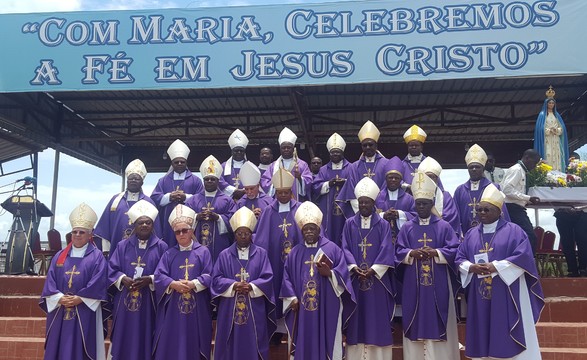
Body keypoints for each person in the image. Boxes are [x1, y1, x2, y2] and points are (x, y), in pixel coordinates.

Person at [456, 183, 544, 359]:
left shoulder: (515, 231)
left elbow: (523, 258)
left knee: (504, 327)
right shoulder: (472, 234)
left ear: (499, 210)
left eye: (487, 210)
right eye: (479, 210)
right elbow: (459, 258)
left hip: (507, 291)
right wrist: (470, 267)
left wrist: (496, 266)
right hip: (480, 293)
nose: (481, 213)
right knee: (483, 328)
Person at [395, 171, 460, 360]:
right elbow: (398, 251)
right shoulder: (407, 227)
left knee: (439, 314)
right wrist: (410, 254)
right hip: (412, 284)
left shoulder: (444, 226)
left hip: (438, 281)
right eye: (418, 204)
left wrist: (436, 253)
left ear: (432, 204)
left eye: (425, 204)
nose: (421, 207)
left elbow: (454, 249)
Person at [280, 201, 356, 360]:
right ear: (301, 231)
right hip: (302, 309)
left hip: (326, 306)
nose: (309, 232)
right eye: (305, 229)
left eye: (312, 228)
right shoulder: (295, 253)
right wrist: (292, 298)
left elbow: (344, 276)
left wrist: (330, 273)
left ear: (319, 229)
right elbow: (286, 278)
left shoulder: (332, 249)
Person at [40, 203, 108, 360]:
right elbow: (50, 280)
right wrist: (59, 298)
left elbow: (99, 281)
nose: (77, 234)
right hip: (60, 308)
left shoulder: (97, 256)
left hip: (84, 309)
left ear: (90, 234)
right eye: (74, 232)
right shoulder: (59, 256)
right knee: (58, 346)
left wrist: (80, 298)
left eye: (81, 232)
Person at [212, 207, 276, 360]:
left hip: (254, 306)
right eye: (239, 234)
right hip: (229, 308)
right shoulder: (224, 255)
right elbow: (216, 279)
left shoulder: (261, 253)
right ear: (234, 235)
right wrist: (233, 285)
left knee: (255, 338)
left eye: (246, 233)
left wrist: (251, 286)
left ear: (251, 234)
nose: (243, 237)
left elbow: (267, 277)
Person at [342, 177, 396, 359]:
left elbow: (387, 247)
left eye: (367, 202)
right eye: (361, 202)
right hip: (356, 278)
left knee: (376, 316)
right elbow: (345, 247)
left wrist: (374, 269)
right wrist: (353, 267)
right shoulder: (349, 223)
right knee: (357, 316)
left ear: (374, 203)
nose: (363, 205)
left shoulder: (382, 225)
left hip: (377, 280)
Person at [107, 200, 168, 360]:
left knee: (147, 334)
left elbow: (167, 274)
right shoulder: (122, 246)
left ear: (153, 225)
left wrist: (151, 279)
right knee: (124, 334)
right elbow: (111, 269)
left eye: (148, 222)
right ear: (134, 224)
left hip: (150, 301)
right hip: (125, 300)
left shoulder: (162, 247)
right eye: (141, 223)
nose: (145, 225)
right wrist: (122, 278)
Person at [153, 204, 213, 360]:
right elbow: (159, 276)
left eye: (185, 230)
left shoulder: (203, 252)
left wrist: (193, 284)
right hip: (173, 308)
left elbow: (209, 275)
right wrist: (173, 284)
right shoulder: (169, 254)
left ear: (192, 231)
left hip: (197, 308)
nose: (181, 234)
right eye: (177, 232)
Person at [255, 168, 303, 337]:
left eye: (286, 192)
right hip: (274, 261)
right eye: (280, 192)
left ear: (291, 192)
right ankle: (276, 330)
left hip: (296, 261)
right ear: (275, 192)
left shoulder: (300, 209)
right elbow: (260, 239)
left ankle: (295, 328)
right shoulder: (268, 211)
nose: (283, 196)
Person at [94, 159, 161, 255]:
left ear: (142, 182)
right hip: (116, 249)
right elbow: (104, 227)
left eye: (137, 179)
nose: (133, 181)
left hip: (142, 251)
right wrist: (106, 250)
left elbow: (156, 232)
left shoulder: (149, 202)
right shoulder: (115, 201)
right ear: (127, 180)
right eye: (130, 178)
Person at [151, 139, 204, 246]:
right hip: (168, 223)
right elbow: (154, 198)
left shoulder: (195, 180)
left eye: (182, 162)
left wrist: (186, 198)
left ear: (186, 163)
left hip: (189, 223)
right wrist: (170, 197)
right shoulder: (163, 180)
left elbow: (202, 200)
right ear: (172, 163)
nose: (179, 164)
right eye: (176, 162)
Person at [185, 155, 236, 264]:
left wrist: (218, 217)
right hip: (197, 242)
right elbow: (184, 220)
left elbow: (233, 221)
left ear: (218, 181)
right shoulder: (193, 200)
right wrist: (196, 217)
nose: (209, 181)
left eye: (212, 179)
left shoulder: (227, 200)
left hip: (219, 245)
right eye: (207, 179)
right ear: (203, 181)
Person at [454, 144, 510, 236]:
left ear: (483, 168)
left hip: (491, 234)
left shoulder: (494, 188)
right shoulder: (460, 190)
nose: (474, 169)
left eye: (477, 167)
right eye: (471, 167)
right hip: (466, 234)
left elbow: (502, 213)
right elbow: (455, 216)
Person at [336, 121, 389, 214]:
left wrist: (379, 211)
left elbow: (387, 189)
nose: (368, 147)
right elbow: (351, 191)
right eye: (365, 145)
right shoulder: (354, 167)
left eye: (371, 144)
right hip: (360, 211)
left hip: (381, 211)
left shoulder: (386, 164)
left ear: (376, 145)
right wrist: (361, 211)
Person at [311, 132, 350, 246]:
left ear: (342, 153)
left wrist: (345, 183)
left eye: (338, 152)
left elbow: (355, 185)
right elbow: (315, 187)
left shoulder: (351, 168)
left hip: (345, 210)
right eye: (333, 152)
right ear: (329, 154)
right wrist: (329, 184)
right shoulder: (323, 170)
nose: (335, 154)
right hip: (328, 211)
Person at [502, 149, 541, 254]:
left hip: (517, 208)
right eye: (534, 162)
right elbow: (507, 190)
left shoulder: (522, 171)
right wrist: (528, 198)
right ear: (527, 158)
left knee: (520, 237)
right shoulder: (517, 170)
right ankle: (527, 263)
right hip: (512, 208)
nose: (535, 166)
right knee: (529, 236)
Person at [260, 127, 313, 202]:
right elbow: (265, 181)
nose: (286, 150)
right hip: (278, 201)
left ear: (293, 148)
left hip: (296, 200)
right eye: (283, 148)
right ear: (280, 149)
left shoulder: (302, 165)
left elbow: (309, 181)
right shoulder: (273, 166)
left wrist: (300, 178)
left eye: (289, 148)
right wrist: (275, 183)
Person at [418, 156, 462, 236]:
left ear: (437, 179)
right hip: (419, 233)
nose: (430, 180)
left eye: (432, 177)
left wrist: (435, 220)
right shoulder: (415, 196)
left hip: (441, 234)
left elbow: (451, 216)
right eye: (427, 177)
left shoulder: (445, 196)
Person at [375, 156, 415, 238]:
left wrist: (400, 214)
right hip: (382, 237)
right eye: (390, 177)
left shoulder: (409, 199)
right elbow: (370, 216)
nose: (393, 180)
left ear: (401, 180)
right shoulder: (377, 197)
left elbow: (415, 216)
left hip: (403, 238)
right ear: (386, 179)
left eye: (396, 178)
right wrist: (383, 215)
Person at [534, 87, 569, 172]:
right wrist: (549, 130)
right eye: (549, 103)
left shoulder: (557, 115)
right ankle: (548, 174)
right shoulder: (542, 115)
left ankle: (558, 172)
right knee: (548, 155)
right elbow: (539, 129)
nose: (551, 105)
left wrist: (557, 130)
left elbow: (562, 128)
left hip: (556, 140)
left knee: (557, 156)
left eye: (553, 103)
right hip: (547, 140)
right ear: (546, 104)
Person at [219, 129, 249, 201]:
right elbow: (219, 180)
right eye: (236, 150)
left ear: (244, 152)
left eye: (241, 150)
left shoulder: (250, 166)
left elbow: (254, 181)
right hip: (228, 200)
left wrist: (245, 191)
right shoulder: (223, 166)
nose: (239, 152)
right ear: (232, 152)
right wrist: (234, 191)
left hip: (246, 198)